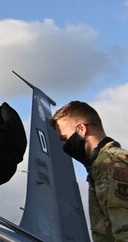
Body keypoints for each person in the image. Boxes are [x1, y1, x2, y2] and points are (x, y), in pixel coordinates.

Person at [52, 101, 128, 241]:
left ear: (81, 129)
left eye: (64, 138)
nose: (64, 146)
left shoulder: (110, 164)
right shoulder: (102, 166)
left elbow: (124, 230)